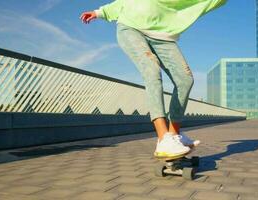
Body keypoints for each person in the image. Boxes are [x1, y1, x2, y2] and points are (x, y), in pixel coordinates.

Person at [80, 0, 227, 159]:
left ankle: (174, 134)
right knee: (151, 71)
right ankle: (163, 138)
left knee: (185, 80)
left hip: (163, 36)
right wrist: (98, 12)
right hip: (131, 28)